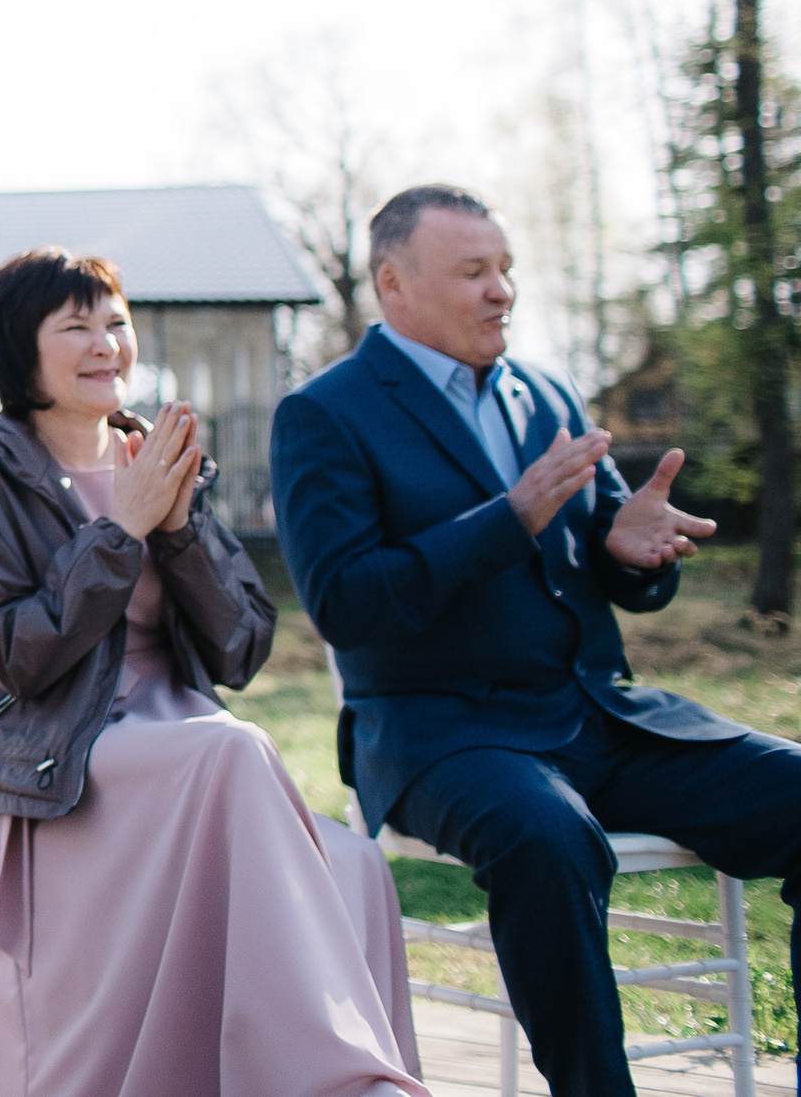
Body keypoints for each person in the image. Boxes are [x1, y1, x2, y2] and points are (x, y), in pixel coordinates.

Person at [274, 185, 801, 1097]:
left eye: (506, 268)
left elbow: (601, 560)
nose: (501, 290)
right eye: (474, 271)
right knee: (549, 838)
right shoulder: (325, 413)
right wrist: (508, 515)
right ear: (393, 285)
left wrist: (634, 553)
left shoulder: (546, 391)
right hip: (443, 732)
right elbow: (345, 603)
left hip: (598, 714)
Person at [0, 246, 425, 1097]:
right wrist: (118, 531)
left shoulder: (154, 450)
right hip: (60, 760)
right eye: (76, 325)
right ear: (20, 346)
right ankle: (339, 1084)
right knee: (229, 748)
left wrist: (179, 527)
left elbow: (242, 647)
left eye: (116, 322)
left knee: (357, 867)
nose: (106, 344)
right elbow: (15, 653)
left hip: (188, 744)